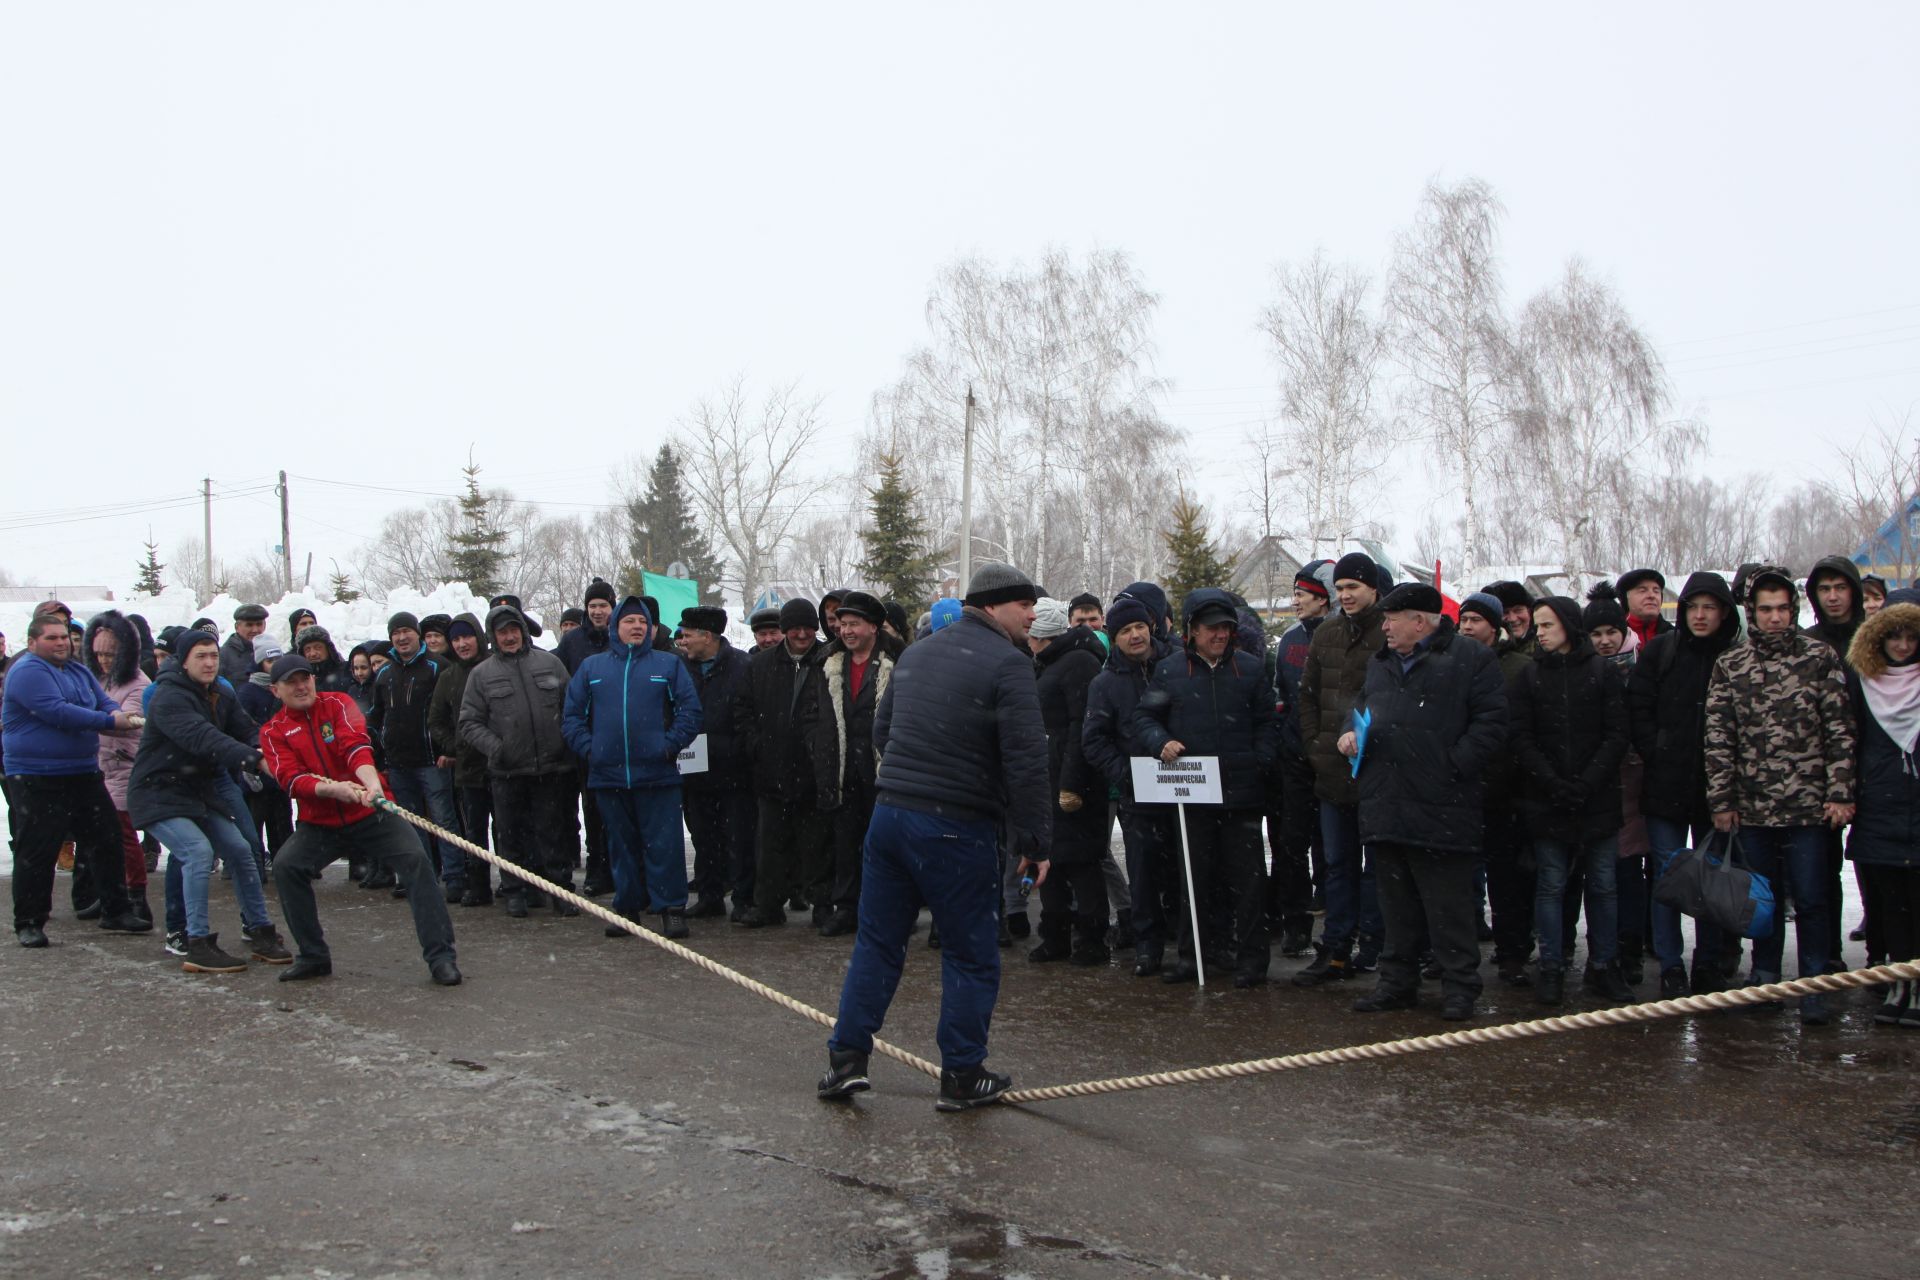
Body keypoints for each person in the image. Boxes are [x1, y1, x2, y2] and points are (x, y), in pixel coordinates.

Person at [818, 562, 1050, 1111]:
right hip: (956, 826)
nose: (1033, 615)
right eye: (1025, 606)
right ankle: (964, 1075)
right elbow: (1026, 759)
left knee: (877, 944)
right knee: (971, 955)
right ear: (994, 606)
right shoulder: (1010, 664)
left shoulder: (917, 653)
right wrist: (1038, 841)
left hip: (890, 817)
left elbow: (881, 730)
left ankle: (846, 1062)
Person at [1344, 584, 1507, 1020]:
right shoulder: (1380, 663)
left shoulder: (1471, 660)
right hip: (1386, 800)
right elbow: (1361, 706)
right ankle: (1397, 982)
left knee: (1447, 905)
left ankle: (1459, 988)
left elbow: (1492, 724)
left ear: (1419, 621)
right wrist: (1350, 732)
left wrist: (1449, 768)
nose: (1384, 627)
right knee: (1395, 904)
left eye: (1391, 619)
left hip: (1443, 805)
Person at [1704, 566, 1856, 1025]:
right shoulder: (1731, 665)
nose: (1774, 618)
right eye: (1765, 610)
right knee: (1763, 901)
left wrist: (1840, 792)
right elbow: (1718, 738)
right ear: (1752, 612)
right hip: (1753, 809)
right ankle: (1765, 977)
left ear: (1793, 610)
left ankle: (1813, 984)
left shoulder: (1819, 658)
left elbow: (1840, 730)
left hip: (1811, 808)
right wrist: (1722, 801)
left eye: (1782, 609)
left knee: (1811, 898)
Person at [261, 654, 461, 985]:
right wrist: (335, 790)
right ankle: (313, 955)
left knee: (416, 862)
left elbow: (355, 746)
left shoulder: (338, 704)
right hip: (321, 822)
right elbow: (292, 780)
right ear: (275, 691)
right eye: (291, 682)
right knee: (286, 866)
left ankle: (441, 956)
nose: (301, 686)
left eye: (305, 678)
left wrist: (370, 784)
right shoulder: (273, 732)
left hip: (371, 811)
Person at [1130, 587, 1279, 987]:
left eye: (1226, 628)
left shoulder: (1249, 669)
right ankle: (1191, 956)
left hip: (1242, 796)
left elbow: (1268, 722)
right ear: (1193, 631)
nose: (1220, 635)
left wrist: (1260, 758)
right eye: (1212, 629)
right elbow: (1145, 718)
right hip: (1192, 797)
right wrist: (1160, 742)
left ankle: (1251, 960)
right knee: (1192, 880)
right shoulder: (1171, 671)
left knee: (1248, 883)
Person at [126, 628, 292, 974]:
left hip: (197, 794)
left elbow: (243, 728)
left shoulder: (219, 693)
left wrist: (266, 747)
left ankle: (261, 931)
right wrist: (254, 759)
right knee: (197, 852)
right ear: (183, 661)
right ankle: (197, 942)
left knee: (241, 850)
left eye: (214, 655)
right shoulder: (168, 697)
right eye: (200, 656)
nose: (209, 662)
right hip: (158, 793)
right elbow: (205, 738)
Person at [1510, 597, 1633, 1006]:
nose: (1540, 633)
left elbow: (1617, 734)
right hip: (1547, 799)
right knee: (1550, 885)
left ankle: (1604, 965)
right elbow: (1522, 738)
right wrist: (1553, 783)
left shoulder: (1601, 672)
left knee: (1603, 885)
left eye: (1546, 625)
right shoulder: (1530, 676)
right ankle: (1551, 967)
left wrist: (1586, 781)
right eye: (1538, 626)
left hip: (1596, 798)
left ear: (1567, 626)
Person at [1627, 572, 1744, 997]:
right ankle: (1671, 963)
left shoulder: (1733, 658)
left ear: (1724, 613)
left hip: (1717, 789)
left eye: (1709, 608)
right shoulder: (1662, 651)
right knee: (1669, 875)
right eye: (1693, 607)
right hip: (1666, 783)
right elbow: (1638, 706)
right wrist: (1658, 748)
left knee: (1711, 878)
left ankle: (1708, 962)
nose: (1699, 615)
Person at [5, 613, 150, 945]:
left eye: (63, 637)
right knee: (38, 849)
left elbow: (102, 702)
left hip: (82, 770)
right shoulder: (27, 671)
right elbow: (59, 712)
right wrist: (113, 721)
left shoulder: (77, 669)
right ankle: (29, 921)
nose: (61, 643)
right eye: (51, 638)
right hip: (37, 774)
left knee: (106, 839)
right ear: (32, 642)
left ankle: (116, 910)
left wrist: (114, 715)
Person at [564, 597, 701, 937]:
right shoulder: (592, 669)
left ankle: (670, 907)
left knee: (664, 844)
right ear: (615, 627)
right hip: (609, 776)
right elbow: (571, 717)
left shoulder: (668, 665)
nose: (637, 627)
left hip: (658, 775)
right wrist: (591, 750)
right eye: (630, 621)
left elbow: (690, 711)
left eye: (643, 621)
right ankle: (627, 908)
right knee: (620, 847)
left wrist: (668, 746)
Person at [1295, 551, 1387, 986]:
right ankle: (1335, 947)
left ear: (1373, 589)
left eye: (1354, 587)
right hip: (1331, 769)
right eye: (1341, 588)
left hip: (1378, 771)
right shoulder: (1326, 634)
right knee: (1337, 864)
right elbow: (1308, 697)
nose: (1346, 594)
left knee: (1378, 867)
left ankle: (1372, 946)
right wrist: (1316, 745)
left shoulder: (1390, 631)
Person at [459, 602, 581, 918]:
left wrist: (564, 743)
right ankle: (515, 892)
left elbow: (573, 708)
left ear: (523, 631)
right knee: (509, 835)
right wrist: (497, 748)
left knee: (553, 832)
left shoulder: (550, 664)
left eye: (514, 630)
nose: (510, 636)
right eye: (503, 632)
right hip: (507, 772)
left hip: (552, 767)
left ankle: (560, 890)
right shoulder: (481, 674)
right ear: (493, 637)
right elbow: (469, 722)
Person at [1083, 595, 1176, 976]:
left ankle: (1194, 943)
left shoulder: (1176, 668)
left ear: (1150, 626)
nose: (1135, 636)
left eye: (1139, 626)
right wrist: (1125, 774)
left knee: (1188, 870)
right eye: (1124, 631)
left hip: (1186, 788)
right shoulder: (1105, 683)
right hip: (1139, 795)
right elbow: (1094, 739)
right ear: (1114, 637)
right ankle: (1148, 946)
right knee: (1143, 873)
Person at [1845, 590, 1920, 1027]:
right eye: (1894, 636)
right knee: (1889, 904)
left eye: (1912, 636)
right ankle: (1898, 979)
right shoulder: (1863, 680)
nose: (1903, 646)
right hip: (1879, 805)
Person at [1026, 597, 1110, 966]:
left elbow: (1081, 726)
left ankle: (1092, 938)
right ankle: (1055, 935)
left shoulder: (1077, 663)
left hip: (1073, 778)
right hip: (1048, 773)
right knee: (1052, 860)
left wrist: (1072, 781)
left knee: (1082, 863)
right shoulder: (1049, 662)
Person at [738, 599, 832, 928]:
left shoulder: (828, 660)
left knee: (817, 844)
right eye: (795, 627)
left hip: (814, 770)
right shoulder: (760, 665)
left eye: (808, 627)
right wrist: (756, 746)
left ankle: (822, 903)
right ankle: (768, 904)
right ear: (785, 630)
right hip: (771, 768)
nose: (802, 633)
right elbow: (744, 710)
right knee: (771, 843)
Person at [807, 591, 894, 937]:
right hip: (841, 766)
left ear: (873, 626)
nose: (846, 631)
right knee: (845, 841)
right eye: (842, 625)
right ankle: (846, 908)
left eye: (854, 623)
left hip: (880, 768)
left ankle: (885, 911)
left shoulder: (895, 661)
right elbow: (812, 715)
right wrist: (817, 747)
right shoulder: (829, 663)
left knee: (884, 845)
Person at [1267, 560, 1333, 959]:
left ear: (1322, 599)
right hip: (1292, 755)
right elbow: (1281, 692)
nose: (1294, 602)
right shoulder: (1290, 639)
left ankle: (1341, 924)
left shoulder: (1342, 637)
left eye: (1301, 595)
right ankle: (1295, 923)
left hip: (1333, 757)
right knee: (1290, 845)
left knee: (1334, 847)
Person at [368, 611, 458, 892]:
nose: (402, 637)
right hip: (398, 763)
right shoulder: (384, 672)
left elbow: (449, 712)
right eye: (396, 633)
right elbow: (375, 715)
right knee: (409, 824)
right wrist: (379, 754)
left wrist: (447, 748)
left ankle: (455, 878)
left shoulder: (437, 666)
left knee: (443, 821)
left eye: (407, 631)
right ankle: (421, 878)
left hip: (432, 760)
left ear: (417, 634)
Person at [679, 605, 757, 922]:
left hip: (734, 771)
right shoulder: (681, 667)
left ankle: (743, 898)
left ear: (707, 636)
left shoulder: (743, 665)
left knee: (739, 838)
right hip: (693, 770)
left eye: (686, 635)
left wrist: (738, 749)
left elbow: (753, 715)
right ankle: (710, 896)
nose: (681, 641)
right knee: (703, 837)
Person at [81, 611, 152, 923]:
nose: (104, 660)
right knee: (101, 838)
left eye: (110, 654)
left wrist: (85, 720)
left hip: (125, 765)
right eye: (97, 654)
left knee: (124, 837)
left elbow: (130, 721)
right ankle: (111, 894)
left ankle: (136, 898)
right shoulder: (100, 679)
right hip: (103, 766)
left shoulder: (138, 683)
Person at [556, 578, 617, 897]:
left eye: (603, 606)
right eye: (592, 606)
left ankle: (621, 866)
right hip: (585, 739)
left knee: (617, 808)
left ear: (612, 607)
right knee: (592, 808)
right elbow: (562, 685)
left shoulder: (620, 636)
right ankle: (597, 867)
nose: (597, 611)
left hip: (617, 734)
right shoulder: (572, 642)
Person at [428, 613, 491, 905]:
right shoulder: (448, 677)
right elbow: (437, 720)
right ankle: (478, 885)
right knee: (473, 830)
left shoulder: (495, 667)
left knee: (509, 829)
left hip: (502, 763)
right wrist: (455, 747)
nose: (462, 644)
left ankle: (517, 885)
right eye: (456, 639)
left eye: (467, 636)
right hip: (468, 768)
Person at [1616, 569, 1670, 649]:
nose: (1652, 596)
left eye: (1656, 591)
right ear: (1626, 598)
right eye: (1642, 591)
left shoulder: (1675, 637)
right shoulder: (1613, 637)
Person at [295, 625, 354, 695]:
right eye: (307, 649)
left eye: (318, 647)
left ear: (329, 649)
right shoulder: (299, 679)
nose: (313, 653)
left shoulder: (348, 670)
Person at [220, 603, 269, 687]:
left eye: (259, 624)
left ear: (264, 625)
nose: (255, 630)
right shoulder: (223, 655)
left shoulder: (271, 651)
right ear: (237, 627)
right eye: (249, 625)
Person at [1482, 581, 1536, 649]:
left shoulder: (1545, 648)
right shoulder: (1481, 650)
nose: (1513, 619)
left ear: (1529, 612)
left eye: (1518, 610)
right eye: (1505, 612)